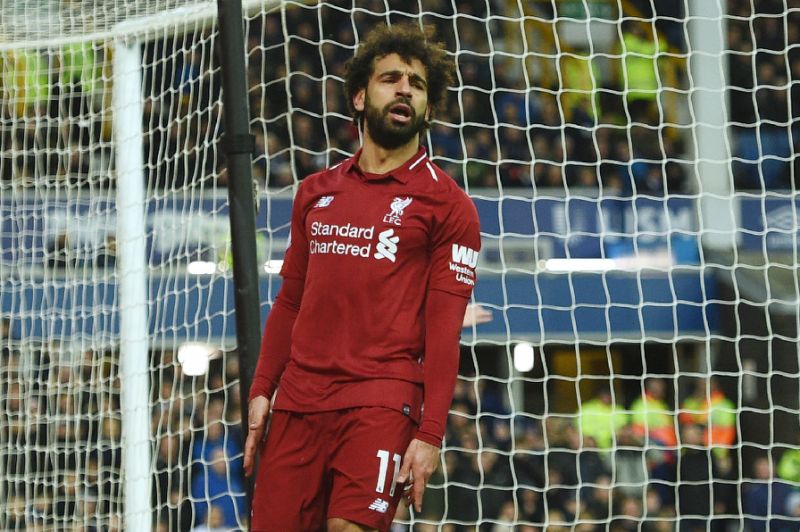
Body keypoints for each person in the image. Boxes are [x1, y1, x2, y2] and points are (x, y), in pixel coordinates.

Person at [243, 23, 481, 532]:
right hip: (298, 403)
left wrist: (431, 434)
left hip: (381, 400)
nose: (404, 90)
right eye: (390, 78)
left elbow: (444, 332)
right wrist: (264, 386)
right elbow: (290, 301)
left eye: (417, 85)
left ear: (429, 108)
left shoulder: (449, 205)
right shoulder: (314, 192)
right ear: (359, 96)